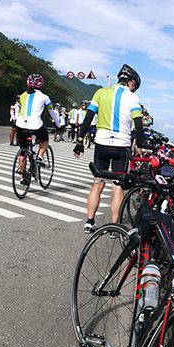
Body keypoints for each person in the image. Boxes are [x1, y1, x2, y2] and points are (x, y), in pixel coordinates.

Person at [73, 65, 144, 233]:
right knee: (118, 186)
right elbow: (139, 126)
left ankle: (89, 222)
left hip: (102, 143)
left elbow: (88, 118)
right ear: (131, 83)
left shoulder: (100, 93)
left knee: (97, 183)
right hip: (121, 145)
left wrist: (80, 141)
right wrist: (139, 147)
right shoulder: (133, 98)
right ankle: (115, 227)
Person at [15, 74, 60, 184]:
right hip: (35, 125)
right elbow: (52, 113)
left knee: (23, 151)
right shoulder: (44, 97)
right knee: (45, 139)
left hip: (20, 124)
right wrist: (58, 125)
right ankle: (40, 156)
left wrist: (17, 120)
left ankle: (23, 175)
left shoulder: (22, 95)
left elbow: (17, 109)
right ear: (41, 84)